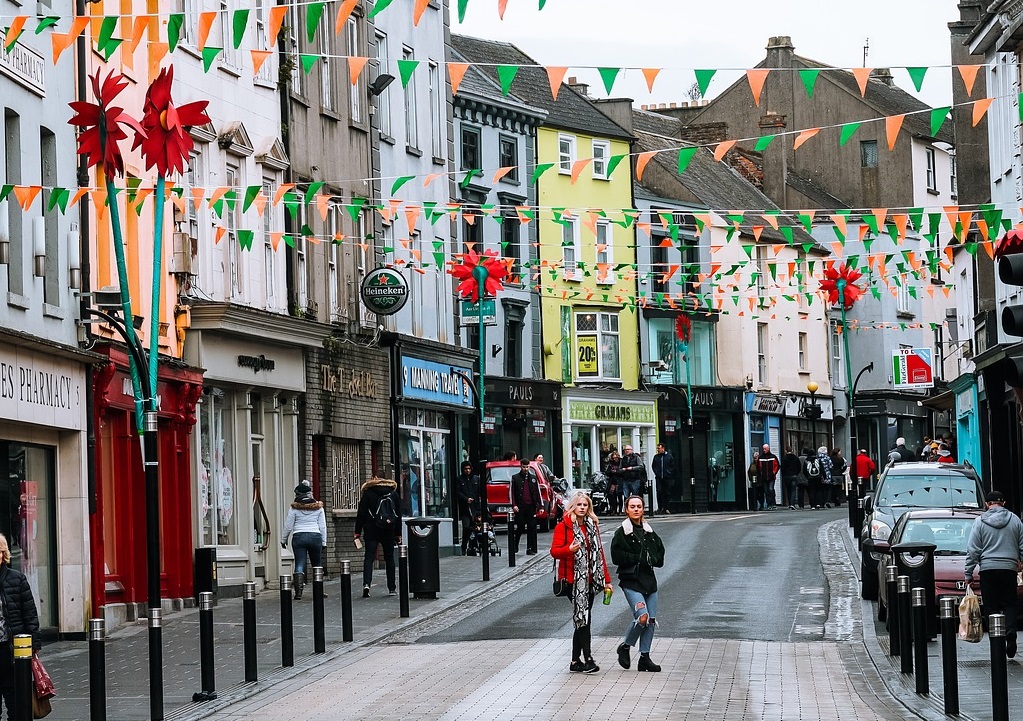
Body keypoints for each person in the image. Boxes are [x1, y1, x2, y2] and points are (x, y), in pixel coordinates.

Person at [550, 490, 612, 673]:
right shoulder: (564, 526)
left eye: (585, 505)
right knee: (584, 617)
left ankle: (575, 661)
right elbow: (554, 551)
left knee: (582, 618)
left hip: (591, 580)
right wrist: (569, 549)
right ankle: (589, 659)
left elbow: (599, 554)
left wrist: (606, 581)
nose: (582, 508)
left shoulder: (592, 526)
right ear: (572, 507)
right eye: (579, 505)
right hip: (573, 581)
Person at [611, 495, 666, 673]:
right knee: (642, 616)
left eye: (639, 506)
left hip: (649, 581)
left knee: (650, 620)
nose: (636, 509)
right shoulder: (622, 532)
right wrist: (638, 558)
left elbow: (660, 552)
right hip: (631, 581)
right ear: (627, 509)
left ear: (643, 509)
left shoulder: (649, 532)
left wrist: (653, 559)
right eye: (632, 506)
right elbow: (616, 556)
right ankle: (625, 647)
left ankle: (644, 658)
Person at [965, 491, 1023, 658]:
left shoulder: (979, 522)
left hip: (988, 569)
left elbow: (973, 550)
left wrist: (968, 572)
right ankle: (1010, 632)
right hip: (1008, 569)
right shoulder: (1015, 520)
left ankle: (996, 643)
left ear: (986, 504)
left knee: (991, 607)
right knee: (1010, 604)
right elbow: (1022, 544)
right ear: (1003, 502)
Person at [0, 532, 39, 721]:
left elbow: (29, 613)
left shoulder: (17, 579)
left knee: (15, 701)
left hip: (11, 650)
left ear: (3, 554)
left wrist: (34, 644)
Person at [354, 476, 402, 597]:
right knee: (389, 558)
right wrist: (398, 534)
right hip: (388, 529)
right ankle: (392, 588)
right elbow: (398, 515)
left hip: (371, 530)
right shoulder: (393, 493)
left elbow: (362, 513)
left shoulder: (368, 493)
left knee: (369, 558)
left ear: (375, 478)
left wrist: (357, 531)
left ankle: (366, 585)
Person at [281, 480, 327, 600]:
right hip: (315, 536)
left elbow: (288, 526)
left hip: (299, 537)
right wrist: (324, 542)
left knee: (300, 564)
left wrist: (283, 539)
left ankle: (298, 592)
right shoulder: (318, 508)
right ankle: (319, 591)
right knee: (317, 564)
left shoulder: (294, 508)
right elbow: (322, 526)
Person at [511, 458, 541, 555]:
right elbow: (511, 493)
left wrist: (540, 506)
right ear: (521, 466)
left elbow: (537, 493)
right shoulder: (515, 478)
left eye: (527, 467)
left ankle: (530, 548)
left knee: (532, 527)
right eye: (524, 467)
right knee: (520, 527)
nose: (526, 469)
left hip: (531, 507)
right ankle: (515, 545)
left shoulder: (533, 478)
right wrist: (514, 505)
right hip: (520, 506)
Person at [456, 461, 480, 556]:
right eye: (466, 469)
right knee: (466, 527)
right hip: (465, 508)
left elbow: (479, 491)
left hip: (475, 507)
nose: (468, 470)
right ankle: (464, 546)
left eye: (469, 469)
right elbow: (458, 492)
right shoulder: (459, 479)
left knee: (474, 527)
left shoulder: (476, 479)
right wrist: (466, 499)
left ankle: (473, 546)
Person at [651, 443, 676, 515]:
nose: (658, 450)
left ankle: (666, 508)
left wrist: (668, 472)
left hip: (667, 477)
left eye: (659, 448)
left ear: (663, 448)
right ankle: (660, 507)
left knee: (667, 492)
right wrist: (657, 473)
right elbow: (653, 466)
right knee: (659, 492)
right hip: (659, 477)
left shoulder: (669, 456)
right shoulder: (656, 457)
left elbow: (672, 466)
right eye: (657, 448)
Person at [757, 444, 780, 510]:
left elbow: (777, 465)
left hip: (771, 477)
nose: (764, 450)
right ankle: (769, 504)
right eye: (763, 449)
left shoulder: (773, 457)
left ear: (768, 449)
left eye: (765, 449)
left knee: (771, 489)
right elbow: (758, 467)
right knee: (766, 491)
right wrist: (761, 473)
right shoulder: (761, 458)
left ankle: (773, 503)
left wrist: (774, 472)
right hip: (764, 478)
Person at [605, 451, 624, 515]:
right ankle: (614, 510)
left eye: (616, 457)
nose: (614, 459)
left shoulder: (621, 462)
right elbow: (607, 472)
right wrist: (611, 471)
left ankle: (620, 510)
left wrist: (616, 471)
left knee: (619, 496)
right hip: (612, 482)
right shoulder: (610, 463)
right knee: (612, 496)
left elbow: (622, 471)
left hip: (619, 481)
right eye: (613, 457)